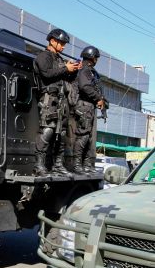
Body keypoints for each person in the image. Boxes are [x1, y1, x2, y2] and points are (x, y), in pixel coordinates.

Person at [33, 28, 81, 175]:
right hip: (49, 98)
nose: (63, 46)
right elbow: (47, 74)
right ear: (52, 41)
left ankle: (58, 165)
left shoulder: (59, 59)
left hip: (61, 99)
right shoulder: (43, 56)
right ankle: (39, 165)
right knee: (48, 130)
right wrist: (65, 68)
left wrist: (73, 70)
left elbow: (66, 79)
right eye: (61, 43)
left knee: (61, 131)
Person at [71, 46, 106, 174]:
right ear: (92, 57)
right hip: (83, 105)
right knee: (83, 136)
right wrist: (98, 98)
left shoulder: (90, 71)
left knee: (88, 137)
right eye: (96, 57)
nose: (97, 59)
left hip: (88, 106)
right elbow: (84, 86)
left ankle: (86, 165)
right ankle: (77, 165)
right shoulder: (85, 70)